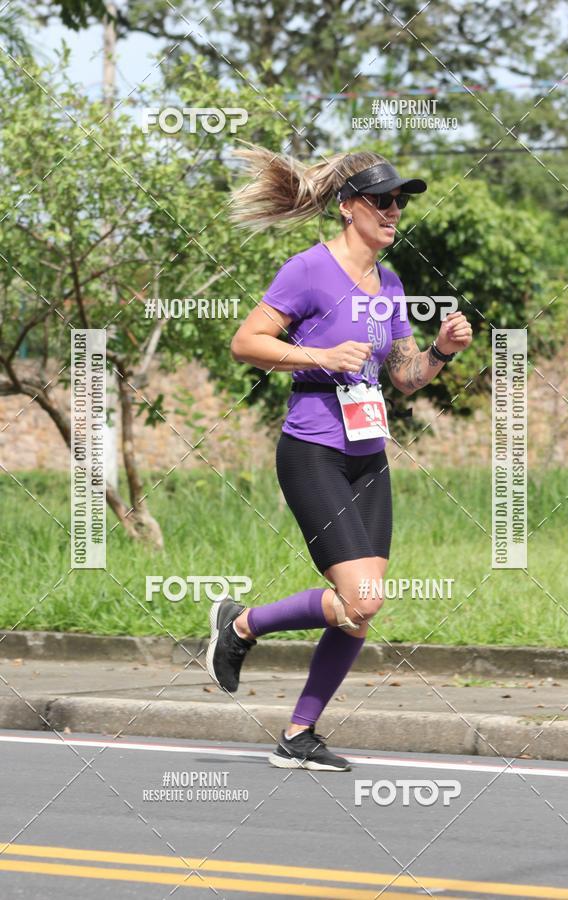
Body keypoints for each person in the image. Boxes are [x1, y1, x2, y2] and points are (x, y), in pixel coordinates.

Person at [206, 143, 473, 771]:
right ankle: (241, 624)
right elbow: (246, 342)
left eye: (400, 201)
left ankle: (300, 734)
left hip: (367, 454)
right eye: (383, 200)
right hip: (313, 449)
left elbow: (404, 377)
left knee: (358, 613)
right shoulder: (307, 270)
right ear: (349, 206)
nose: (394, 211)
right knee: (363, 601)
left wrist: (441, 351)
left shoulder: (390, 282)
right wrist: (321, 357)